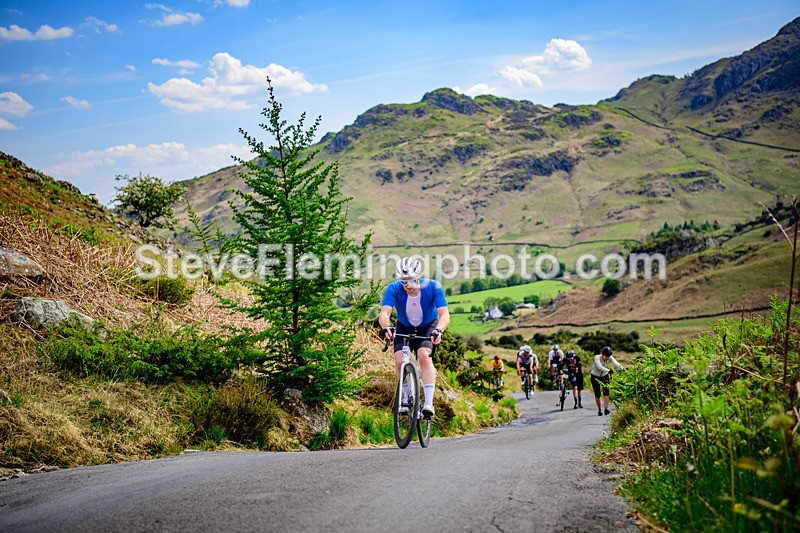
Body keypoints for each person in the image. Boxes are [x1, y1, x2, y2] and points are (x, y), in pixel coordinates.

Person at [378, 256, 449, 419]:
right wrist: (387, 326)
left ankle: (429, 404)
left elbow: (444, 314)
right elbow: (384, 313)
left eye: (410, 281)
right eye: (403, 281)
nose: (407, 286)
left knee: (424, 356)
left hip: (427, 326)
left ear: (418, 277)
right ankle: (405, 398)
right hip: (404, 326)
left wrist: (439, 330)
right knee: (399, 360)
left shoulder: (433, 286)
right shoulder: (394, 288)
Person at [590, 345, 623, 416]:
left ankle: (606, 408)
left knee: (606, 392)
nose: (607, 358)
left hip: (604, 376)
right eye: (606, 356)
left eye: (608, 356)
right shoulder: (597, 357)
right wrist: (609, 370)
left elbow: (616, 364)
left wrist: (623, 369)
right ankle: (599, 409)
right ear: (602, 354)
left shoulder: (609, 357)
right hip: (595, 376)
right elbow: (599, 367)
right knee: (597, 394)